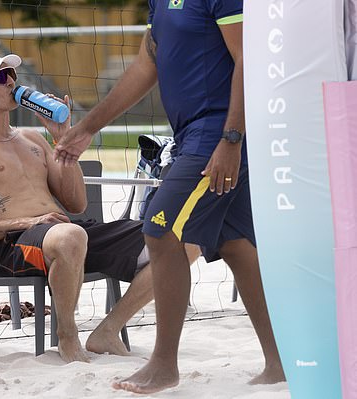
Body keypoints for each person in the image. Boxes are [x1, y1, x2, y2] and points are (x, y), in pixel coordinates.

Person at [54, 0, 286, 394]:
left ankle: (163, 365)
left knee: (159, 231)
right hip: (194, 136)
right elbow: (147, 66)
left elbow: (249, 60)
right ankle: (280, 363)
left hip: (218, 134)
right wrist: (88, 127)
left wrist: (232, 139)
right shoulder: (159, 3)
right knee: (235, 244)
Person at [0, 52, 201, 363]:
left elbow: (76, 202)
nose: (10, 81)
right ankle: (67, 335)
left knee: (184, 238)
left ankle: (107, 331)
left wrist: (62, 141)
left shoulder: (32, 138)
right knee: (70, 236)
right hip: (19, 241)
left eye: (11, 74)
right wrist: (24, 221)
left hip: (71, 233)